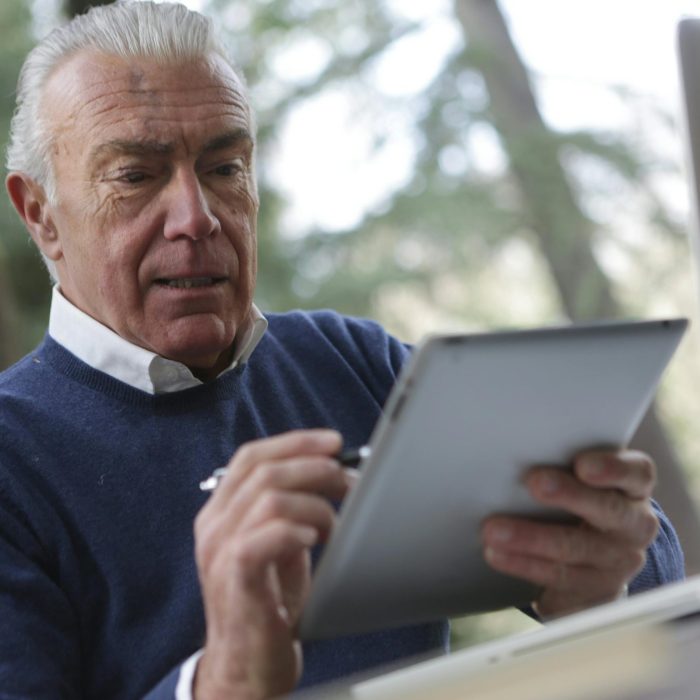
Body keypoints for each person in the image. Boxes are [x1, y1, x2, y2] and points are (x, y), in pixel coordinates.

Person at [0, 2, 684, 698]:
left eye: (225, 166)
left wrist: (610, 579)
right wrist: (220, 680)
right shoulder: (12, 461)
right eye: (136, 176)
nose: (197, 217)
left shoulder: (355, 363)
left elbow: (655, 587)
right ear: (40, 214)